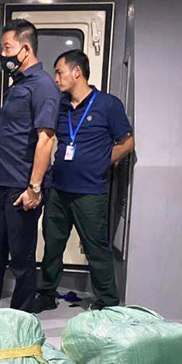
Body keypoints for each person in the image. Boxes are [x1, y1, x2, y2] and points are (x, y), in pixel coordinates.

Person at [35, 50, 135, 312]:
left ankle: (107, 302)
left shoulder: (108, 104)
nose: (56, 78)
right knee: (52, 245)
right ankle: (46, 293)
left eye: (60, 72)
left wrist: (101, 162)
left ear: (77, 72)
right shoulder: (60, 105)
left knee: (96, 249)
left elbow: (127, 143)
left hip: (90, 191)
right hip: (59, 189)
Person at [0, 19, 60, 311]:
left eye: (7, 48)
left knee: (21, 257)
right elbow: (11, 136)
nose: (3, 55)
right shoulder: (19, 85)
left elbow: (45, 140)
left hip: (24, 187)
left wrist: (34, 187)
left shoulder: (43, 86)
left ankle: (21, 315)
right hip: (6, 184)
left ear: (26, 49)